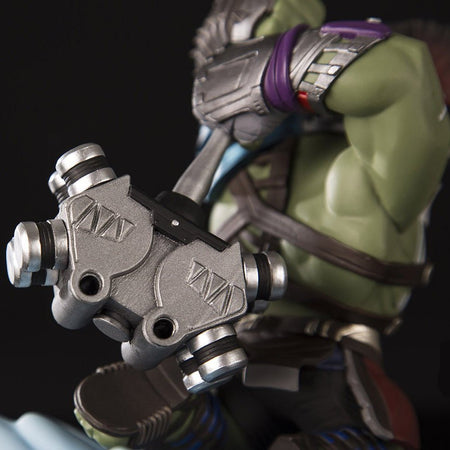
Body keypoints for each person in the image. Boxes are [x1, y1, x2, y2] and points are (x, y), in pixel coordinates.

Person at [67, 0, 450, 448]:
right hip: (222, 353)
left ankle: (202, 423)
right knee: (122, 416)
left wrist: (261, 72)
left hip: (325, 366)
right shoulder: (241, 157)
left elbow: (405, 75)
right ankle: (194, 423)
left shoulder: (386, 173)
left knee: (376, 439)